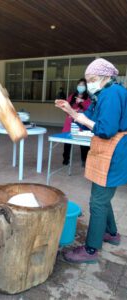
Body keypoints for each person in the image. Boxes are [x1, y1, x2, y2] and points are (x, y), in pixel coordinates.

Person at [55, 58, 127, 264]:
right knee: (102, 196)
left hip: (114, 151)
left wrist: (81, 119)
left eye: (93, 79)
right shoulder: (104, 93)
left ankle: (91, 249)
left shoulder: (113, 94)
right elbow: (89, 116)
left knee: (97, 201)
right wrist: (71, 111)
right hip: (110, 150)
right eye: (87, 80)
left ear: (106, 77)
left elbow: (105, 129)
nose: (88, 84)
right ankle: (111, 233)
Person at [62, 79, 91, 166]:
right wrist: (70, 111)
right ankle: (66, 159)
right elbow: (66, 107)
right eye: (79, 85)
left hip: (82, 121)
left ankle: (84, 160)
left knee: (83, 142)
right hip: (70, 121)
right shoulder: (72, 96)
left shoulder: (88, 98)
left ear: (86, 87)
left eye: (83, 85)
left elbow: (90, 109)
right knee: (67, 140)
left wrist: (83, 102)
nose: (80, 87)